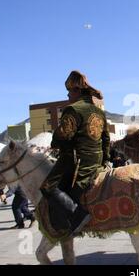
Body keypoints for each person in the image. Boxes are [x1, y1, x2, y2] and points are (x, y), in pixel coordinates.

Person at [40, 70, 111, 236]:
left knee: (47, 187)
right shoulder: (98, 111)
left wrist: (54, 141)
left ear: (77, 91)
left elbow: (64, 136)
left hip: (78, 162)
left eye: (69, 92)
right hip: (97, 162)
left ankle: (77, 216)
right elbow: (106, 139)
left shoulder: (72, 109)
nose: (67, 96)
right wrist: (104, 160)